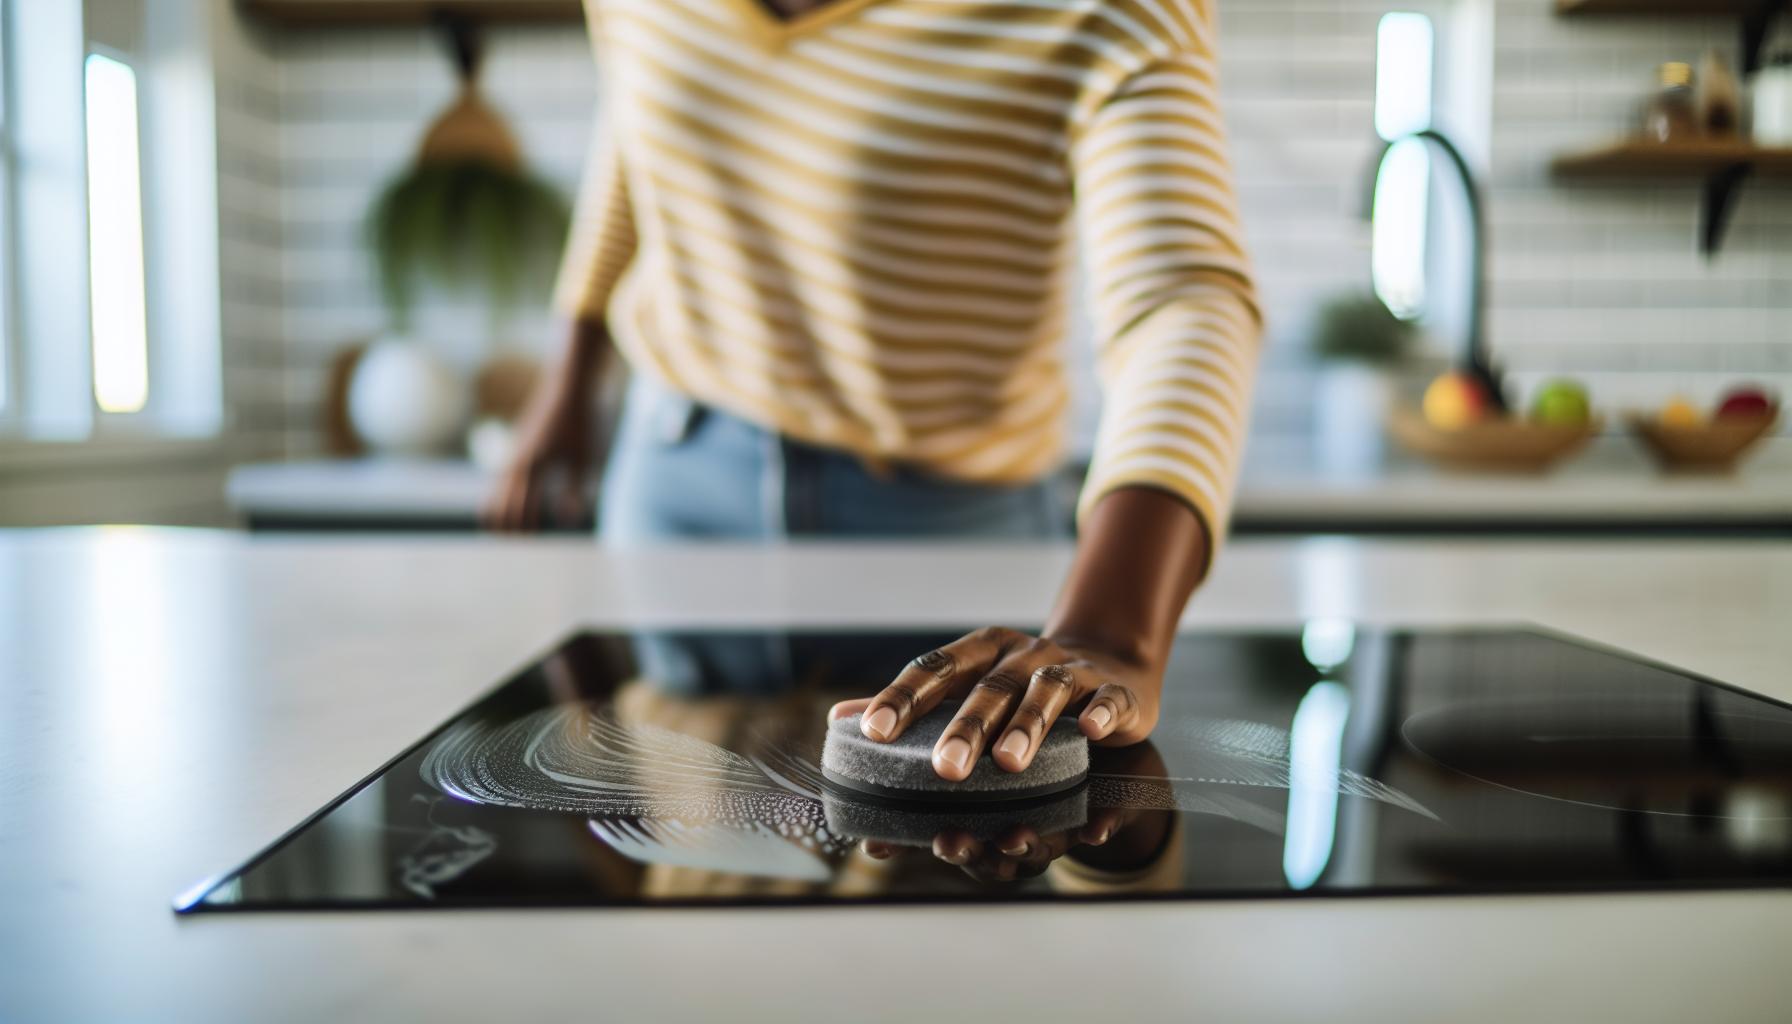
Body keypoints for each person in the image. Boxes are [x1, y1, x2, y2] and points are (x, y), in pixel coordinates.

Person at [487, 0, 1261, 785]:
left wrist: (1113, 628)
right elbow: (644, 122)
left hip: (951, 530)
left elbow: (1181, 300)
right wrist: (570, 375)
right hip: (677, 487)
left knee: (945, 863)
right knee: (702, 845)